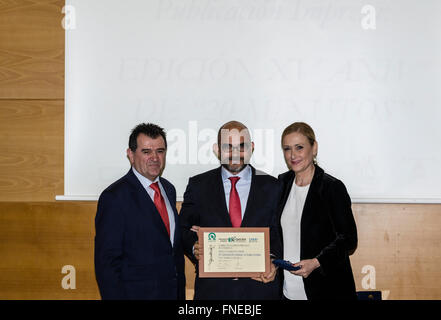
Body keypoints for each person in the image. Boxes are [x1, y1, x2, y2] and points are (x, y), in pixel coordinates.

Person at [179, 121, 282, 300]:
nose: (235, 154)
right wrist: (194, 246)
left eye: (242, 147)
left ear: (252, 148)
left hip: (260, 290)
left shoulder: (273, 186)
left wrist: (273, 261)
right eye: (228, 147)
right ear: (217, 150)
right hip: (213, 292)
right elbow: (182, 230)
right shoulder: (198, 186)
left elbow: (280, 233)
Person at [94, 123, 185, 300]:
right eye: (146, 152)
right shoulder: (114, 197)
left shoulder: (169, 189)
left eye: (160, 151)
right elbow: (107, 265)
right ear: (131, 154)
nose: (155, 157)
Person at [277, 122, 358, 300]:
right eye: (287, 148)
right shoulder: (281, 185)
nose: (293, 155)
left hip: (326, 290)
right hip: (287, 292)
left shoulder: (332, 188)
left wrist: (316, 262)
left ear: (314, 148)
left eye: (299, 147)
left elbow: (349, 239)